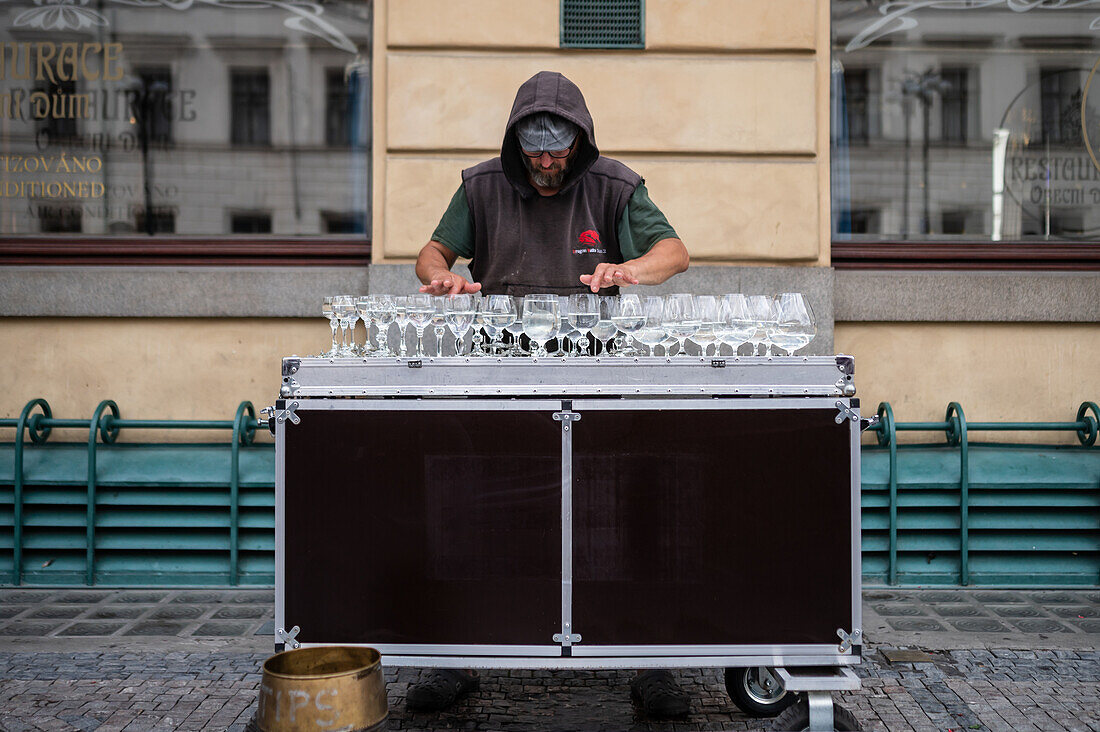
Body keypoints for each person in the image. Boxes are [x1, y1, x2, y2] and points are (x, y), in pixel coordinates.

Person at [408, 71, 691, 719]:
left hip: (596, 376)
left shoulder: (616, 185)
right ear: (515, 145)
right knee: (482, 513)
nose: (544, 163)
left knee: (618, 513)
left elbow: (674, 252)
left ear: (579, 144)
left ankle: (650, 663)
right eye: (533, 151)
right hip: (500, 376)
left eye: (556, 151)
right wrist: (441, 278)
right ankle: (458, 657)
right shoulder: (480, 185)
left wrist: (628, 269)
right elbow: (431, 253)